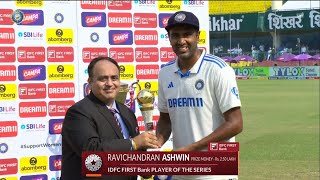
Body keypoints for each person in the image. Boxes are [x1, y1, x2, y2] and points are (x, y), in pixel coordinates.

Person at [156, 11, 243, 180]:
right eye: (175, 36)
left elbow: (236, 124)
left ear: (198, 36)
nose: (181, 41)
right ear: (169, 38)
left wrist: (192, 149)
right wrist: (155, 145)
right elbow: (165, 120)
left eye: (187, 34)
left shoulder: (218, 69)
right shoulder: (165, 73)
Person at [62, 56, 159, 180]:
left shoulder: (127, 113)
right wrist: (134, 143)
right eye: (103, 79)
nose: (109, 83)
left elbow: (134, 153)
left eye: (114, 78)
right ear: (90, 81)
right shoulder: (78, 112)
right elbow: (91, 151)